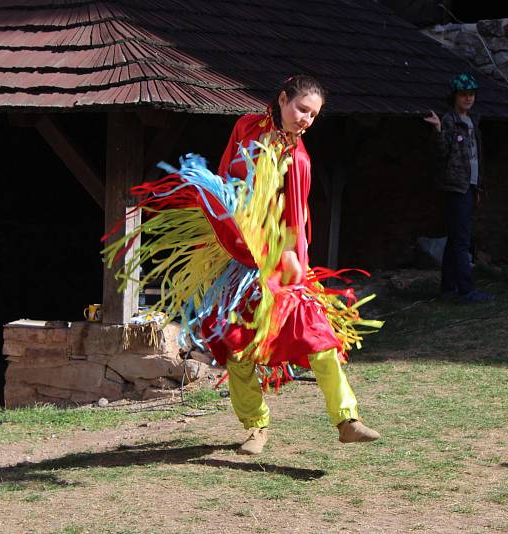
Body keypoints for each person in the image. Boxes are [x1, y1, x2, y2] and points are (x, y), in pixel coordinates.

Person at [104, 75, 380, 455]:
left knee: (319, 340)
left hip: (281, 264)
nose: (306, 120)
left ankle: (347, 420)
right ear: (282, 99)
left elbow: (295, 219)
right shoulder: (246, 127)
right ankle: (255, 428)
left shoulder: (298, 160)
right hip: (237, 259)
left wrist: (292, 261)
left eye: (314, 115)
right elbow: (223, 181)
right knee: (238, 348)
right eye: (302, 109)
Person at [424, 73, 494, 303]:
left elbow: (477, 156)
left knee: (456, 239)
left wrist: (479, 187)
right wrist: (437, 130)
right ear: (455, 96)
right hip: (456, 186)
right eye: (464, 94)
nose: (468, 99)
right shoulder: (449, 121)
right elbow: (441, 153)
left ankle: (447, 288)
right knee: (462, 240)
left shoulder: (473, 120)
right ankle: (466, 290)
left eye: (471, 94)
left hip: (471, 186)